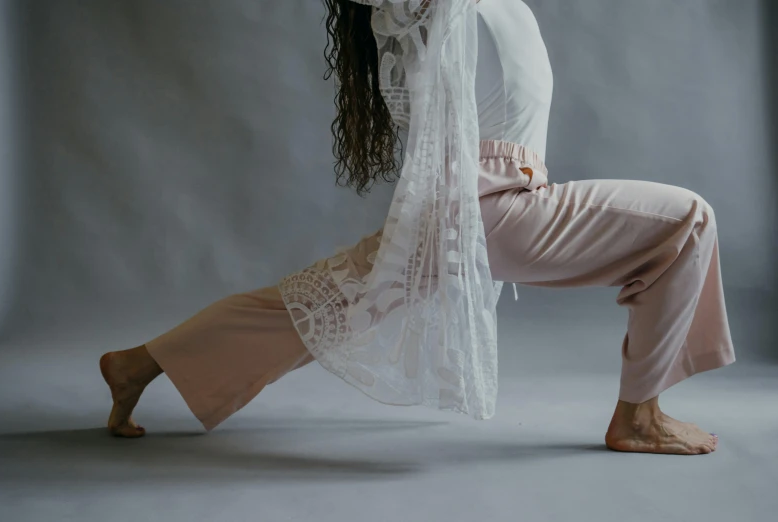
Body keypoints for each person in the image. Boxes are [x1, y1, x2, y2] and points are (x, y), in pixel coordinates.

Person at [99, 0, 735, 455]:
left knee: (316, 305)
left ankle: (139, 364)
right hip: (495, 207)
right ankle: (639, 416)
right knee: (687, 220)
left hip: (454, 213)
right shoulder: (436, 9)